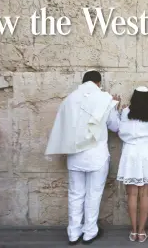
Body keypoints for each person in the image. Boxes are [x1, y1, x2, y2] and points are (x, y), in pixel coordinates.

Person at [44, 70, 121, 245]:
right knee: (93, 194)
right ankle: (89, 232)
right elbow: (115, 126)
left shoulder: (69, 99)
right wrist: (115, 109)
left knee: (75, 194)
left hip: (75, 155)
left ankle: (73, 232)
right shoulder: (104, 99)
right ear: (99, 83)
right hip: (97, 155)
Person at [114, 86, 148, 243]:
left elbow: (120, 131)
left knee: (132, 195)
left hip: (130, 153)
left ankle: (133, 230)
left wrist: (116, 110)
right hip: (147, 153)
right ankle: (142, 232)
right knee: (145, 195)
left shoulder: (126, 111)